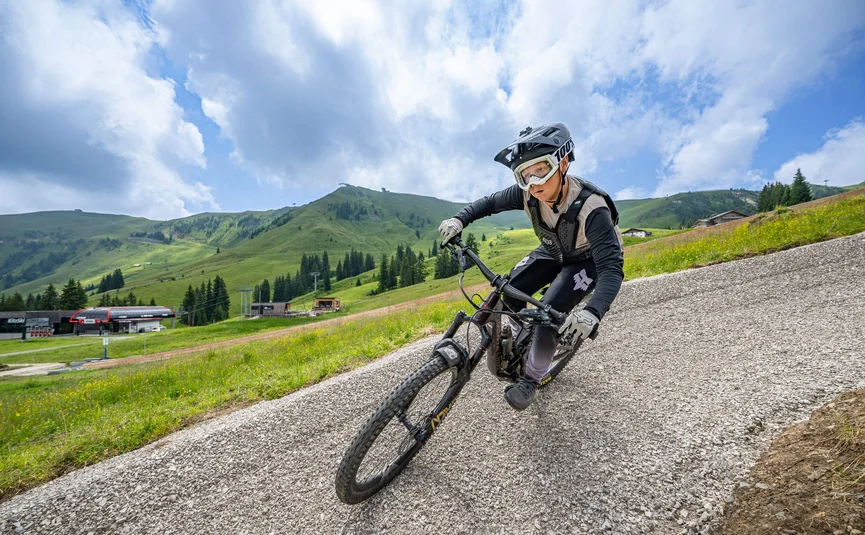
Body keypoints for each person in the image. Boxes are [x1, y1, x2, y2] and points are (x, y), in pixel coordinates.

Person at [438, 123, 624, 411]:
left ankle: (532, 379)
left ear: (562, 163)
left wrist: (593, 312)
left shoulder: (592, 208)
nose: (533, 183)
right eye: (524, 176)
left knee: (548, 315)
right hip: (553, 248)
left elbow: (611, 268)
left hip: (587, 260)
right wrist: (459, 220)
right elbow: (489, 203)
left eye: (540, 170)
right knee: (508, 291)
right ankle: (522, 335)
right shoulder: (527, 194)